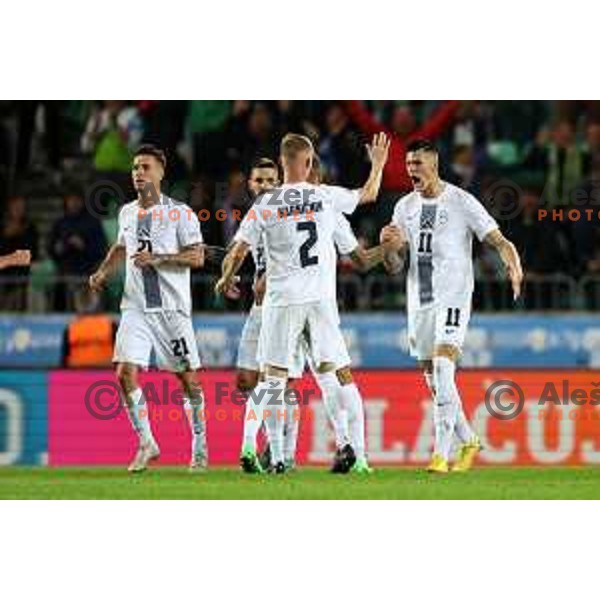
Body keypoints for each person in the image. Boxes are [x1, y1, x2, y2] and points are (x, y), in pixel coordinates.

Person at [216, 132, 390, 474]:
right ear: (309, 163)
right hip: (321, 302)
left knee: (274, 379)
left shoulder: (265, 204)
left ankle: (278, 458)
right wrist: (379, 165)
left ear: (282, 164)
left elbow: (237, 251)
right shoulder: (325, 196)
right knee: (339, 376)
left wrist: (226, 277)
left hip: (282, 302)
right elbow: (369, 194)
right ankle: (359, 457)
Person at [382, 139, 523, 473]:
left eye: (417, 163)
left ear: (434, 163)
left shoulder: (462, 201)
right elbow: (395, 266)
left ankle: (440, 456)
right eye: (408, 164)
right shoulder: (404, 207)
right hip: (419, 302)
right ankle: (469, 439)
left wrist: (513, 264)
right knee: (436, 382)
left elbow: (500, 240)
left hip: (454, 297)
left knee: (445, 369)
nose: (412, 169)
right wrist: (389, 248)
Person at [89, 144, 207, 473]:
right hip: (136, 307)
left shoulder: (180, 212)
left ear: (161, 172)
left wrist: (158, 258)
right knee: (124, 373)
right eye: (135, 168)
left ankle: (199, 443)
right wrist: (103, 271)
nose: (139, 173)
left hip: (171, 309)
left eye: (145, 167)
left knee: (188, 381)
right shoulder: (127, 212)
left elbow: (197, 257)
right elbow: (120, 247)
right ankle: (147, 442)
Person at [0, 196, 38, 310]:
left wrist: (19, 235)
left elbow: (30, 255)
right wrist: (7, 237)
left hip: (22, 274)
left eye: (21, 207)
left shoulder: (30, 227)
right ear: (9, 208)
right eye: (15, 206)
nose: (18, 209)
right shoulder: (2, 227)